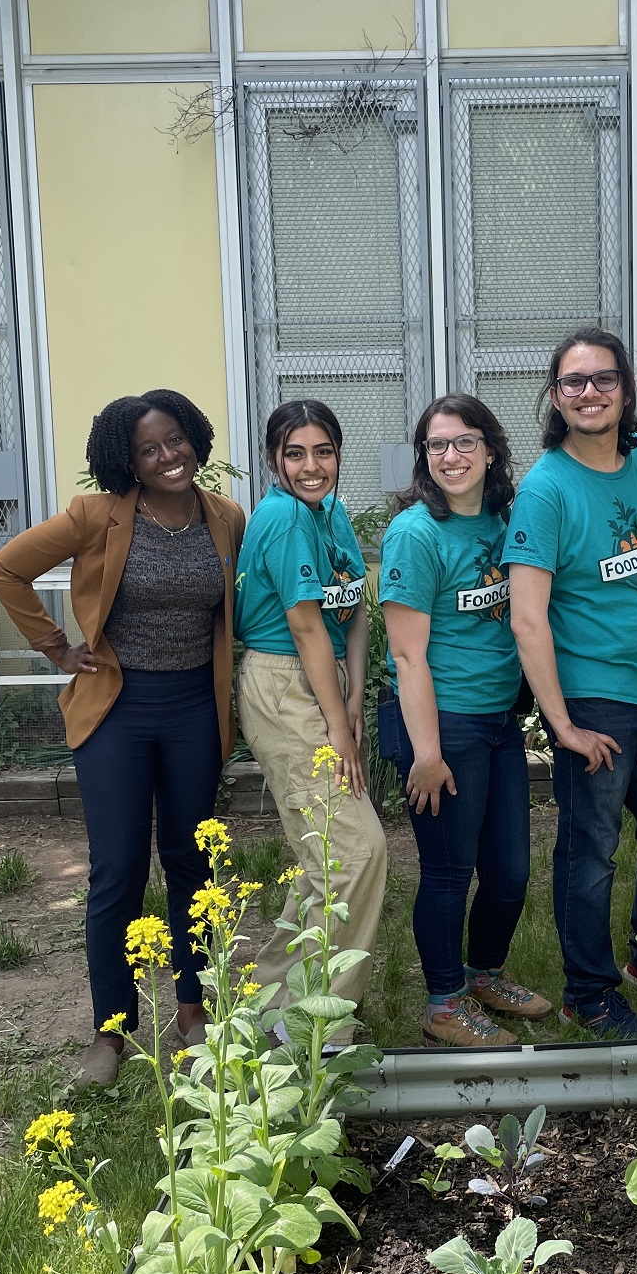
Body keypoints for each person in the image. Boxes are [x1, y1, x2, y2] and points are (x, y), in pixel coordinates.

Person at [0, 389, 246, 1089]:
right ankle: (111, 1032)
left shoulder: (224, 518)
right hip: (117, 712)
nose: (168, 456)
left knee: (193, 863)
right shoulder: (96, 515)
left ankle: (193, 1013)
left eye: (175, 440)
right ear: (125, 461)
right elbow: (6, 569)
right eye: (148, 449)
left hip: (195, 707)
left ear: (193, 436)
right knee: (117, 871)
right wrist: (56, 648)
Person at [504, 327, 637, 1043]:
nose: (590, 393)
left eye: (604, 379)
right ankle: (588, 992)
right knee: (590, 854)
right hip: (595, 702)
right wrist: (561, 725)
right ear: (555, 397)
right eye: (573, 383)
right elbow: (527, 619)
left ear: (626, 389)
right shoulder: (546, 490)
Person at [378, 394, 550, 1048]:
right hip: (441, 725)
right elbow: (406, 652)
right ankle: (444, 1001)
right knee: (450, 869)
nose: (451, 456)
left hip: (497, 721)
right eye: (436, 445)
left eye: (464, 442)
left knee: (508, 871)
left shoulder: (503, 522)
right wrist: (427, 752)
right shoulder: (416, 533)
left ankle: (484, 974)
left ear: (492, 450)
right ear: (424, 457)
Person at [234, 399, 387, 1015]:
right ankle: (315, 1023)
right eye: (294, 453)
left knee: (328, 855)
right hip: (285, 685)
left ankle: (270, 1004)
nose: (310, 465)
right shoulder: (288, 519)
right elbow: (304, 627)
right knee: (354, 853)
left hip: (325, 682)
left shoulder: (332, 512)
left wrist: (353, 700)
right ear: (274, 459)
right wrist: (337, 726)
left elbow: (351, 609)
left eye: (323, 451)